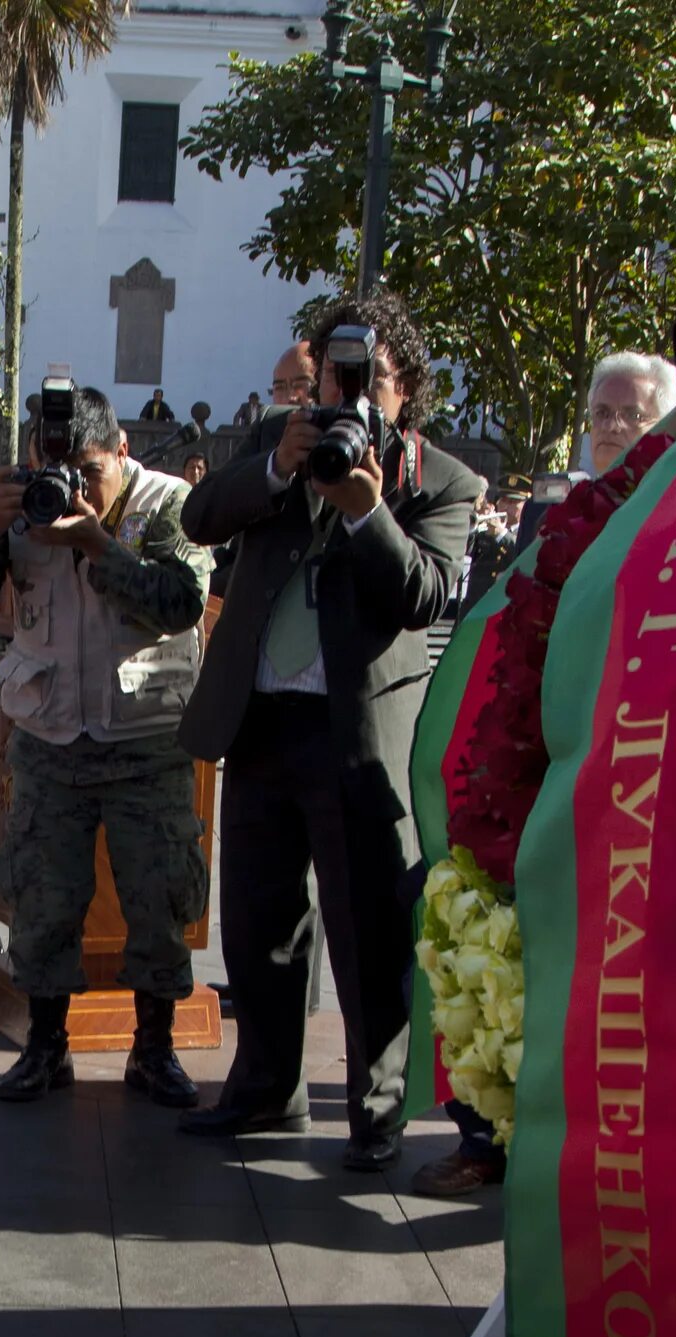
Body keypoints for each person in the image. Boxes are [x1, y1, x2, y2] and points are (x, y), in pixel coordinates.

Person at [176, 292, 484, 1173]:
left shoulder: (442, 480)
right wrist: (277, 468)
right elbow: (201, 521)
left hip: (357, 740)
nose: (349, 395)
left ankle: (377, 1109)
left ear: (405, 390)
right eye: (336, 376)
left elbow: (424, 595)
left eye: (370, 380)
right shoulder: (285, 442)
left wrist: (365, 510)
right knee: (262, 924)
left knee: (367, 933)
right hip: (264, 720)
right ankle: (266, 1090)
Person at [413, 351, 676, 1201]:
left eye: (629, 414)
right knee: (481, 935)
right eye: (600, 413)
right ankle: (485, 1135)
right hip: (536, 767)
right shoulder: (552, 520)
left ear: (667, 426)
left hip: (637, 772)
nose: (609, 430)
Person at [0, 388, 211, 1104]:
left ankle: (153, 1049)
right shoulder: (22, 505)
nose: (72, 489)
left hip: (146, 741)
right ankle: (45, 1047)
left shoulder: (168, 504)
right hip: (51, 737)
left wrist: (96, 544)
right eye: (58, 472)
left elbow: (179, 602)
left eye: (90, 472)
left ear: (122, 451)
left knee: (157, 902)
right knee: (45, 904)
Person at [581, 351, 676, 476]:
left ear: (666, 429)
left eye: (634, 416)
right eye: (601, 413)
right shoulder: (579, 494)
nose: (610, 426)